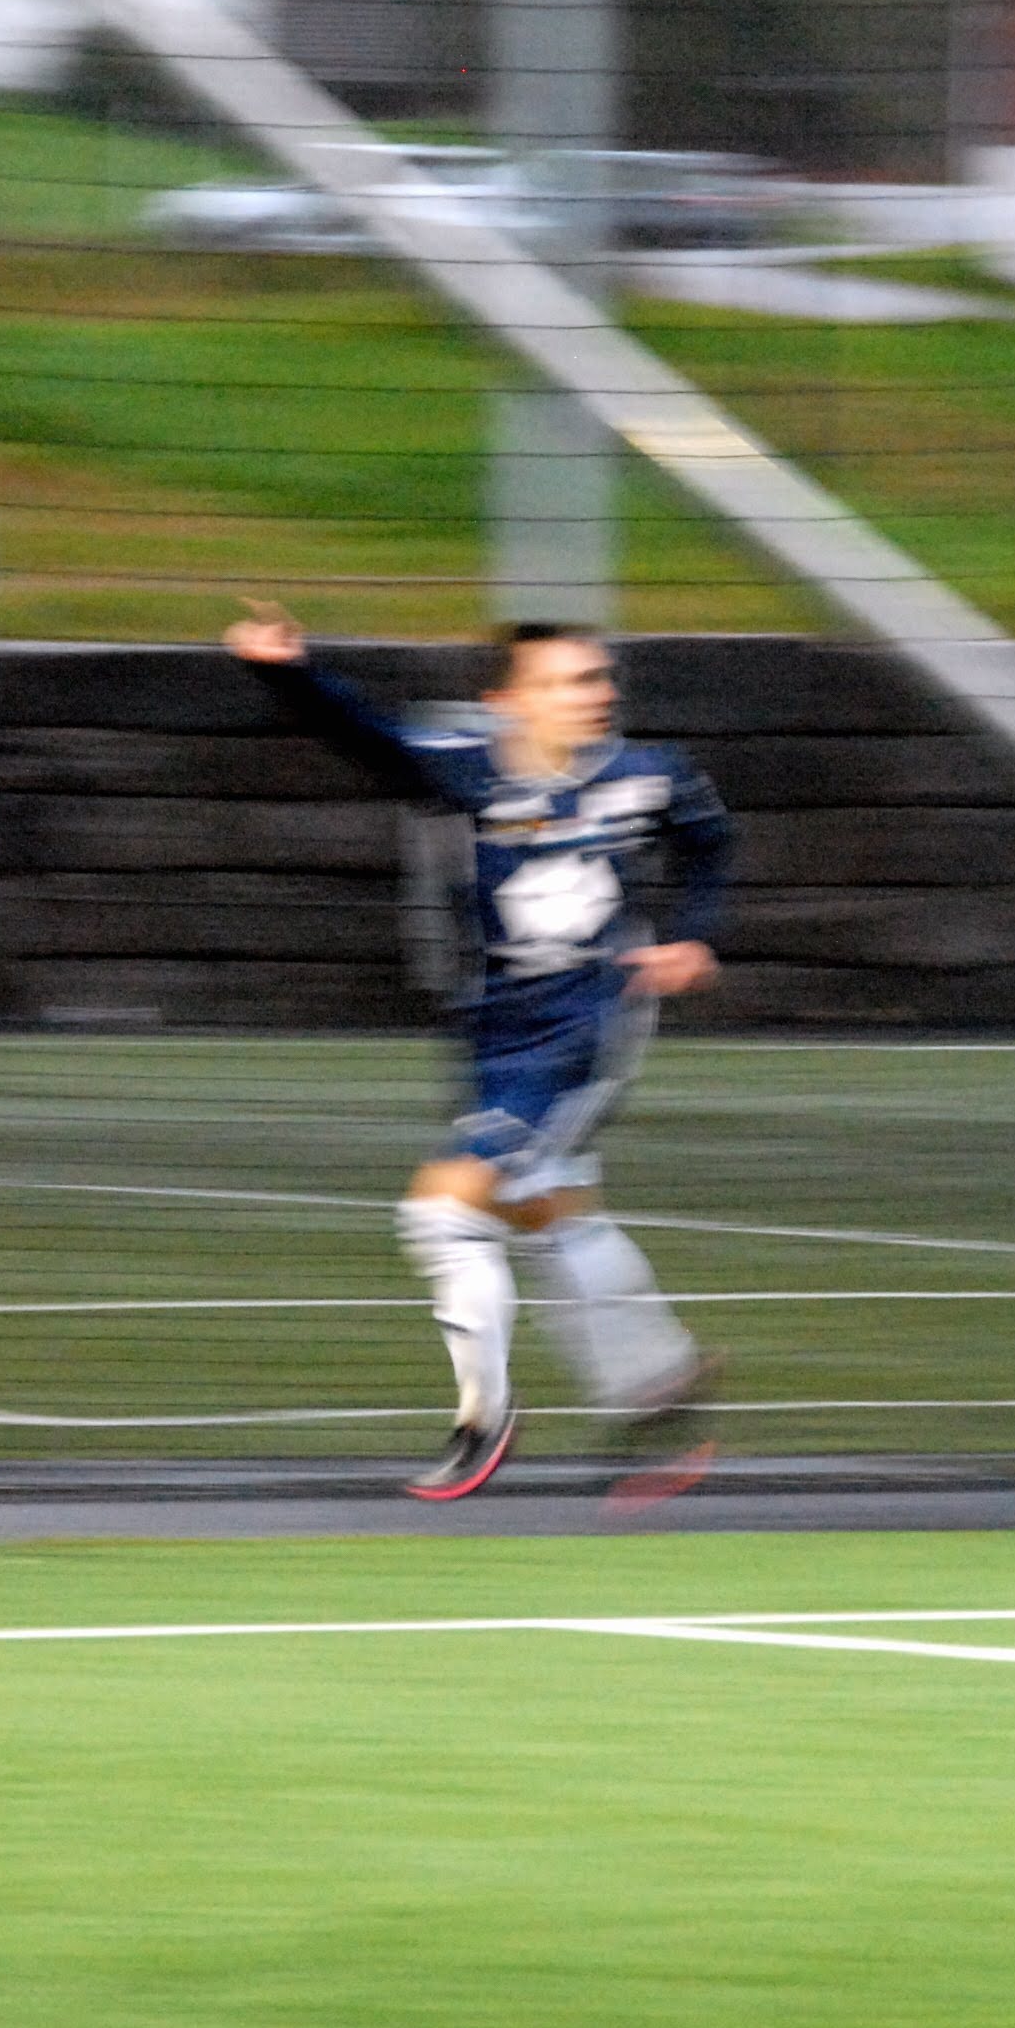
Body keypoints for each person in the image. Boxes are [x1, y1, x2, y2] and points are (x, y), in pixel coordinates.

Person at [225, 599, 733, 1502]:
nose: (593, 694)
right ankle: (658, 1381)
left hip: (588, 1027)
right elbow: (367, 737)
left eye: (598, 677)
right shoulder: (465, 768)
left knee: (442, 1214)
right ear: (507, 702)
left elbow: (709, 840)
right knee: (547, 1211)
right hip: (497, 1030)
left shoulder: (647, 775)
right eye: (565, 682)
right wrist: (287, 672)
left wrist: (692, 934)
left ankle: (484, 1420)